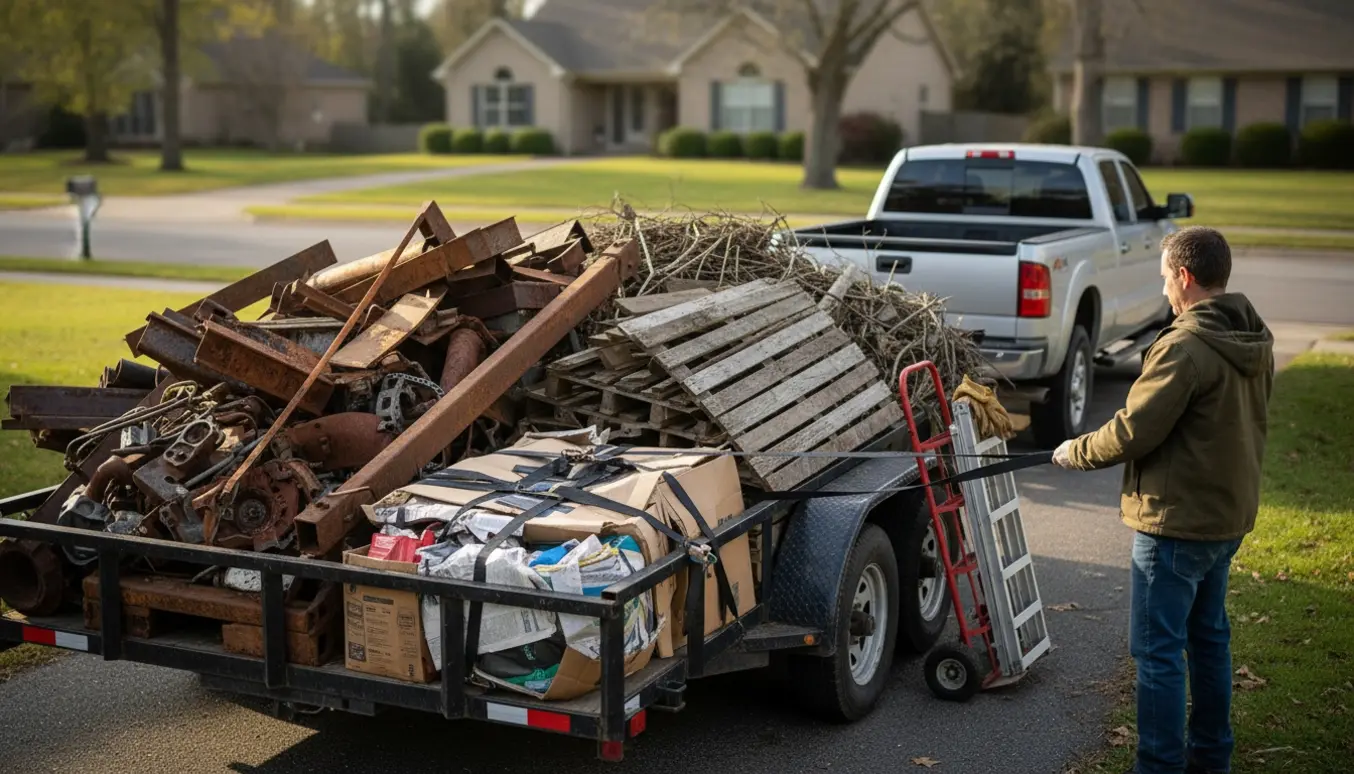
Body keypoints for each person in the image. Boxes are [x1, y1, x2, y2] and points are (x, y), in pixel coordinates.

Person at [1051, 226, 1274, 774]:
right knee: (1209, 641)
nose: (1166, 293)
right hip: (1226, 518)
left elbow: (1132, 431)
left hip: (1175, 526)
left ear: (1185, 276)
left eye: (1165, 280)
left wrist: (1071, 452)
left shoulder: (1185, 347)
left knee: (1158, 656)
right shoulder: (1253, 335)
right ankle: (1212, 760)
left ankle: (1158, 766)